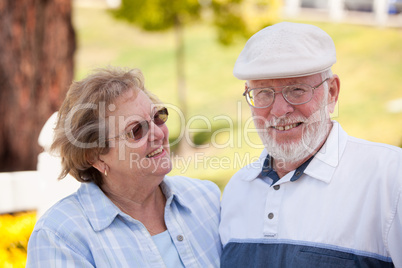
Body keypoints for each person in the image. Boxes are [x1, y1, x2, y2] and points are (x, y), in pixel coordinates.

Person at [219, 22, 402, 267]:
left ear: (332, 92)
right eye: (263, 92)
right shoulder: (237, 191)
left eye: (297, 89)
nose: (280, 110)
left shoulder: (390, 180)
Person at [27, 66, 221, 267]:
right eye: (136, 130)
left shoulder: (205, 199)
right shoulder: (60, 237)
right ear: (95, 156)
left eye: (157, 117)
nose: (159, 134)